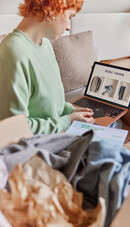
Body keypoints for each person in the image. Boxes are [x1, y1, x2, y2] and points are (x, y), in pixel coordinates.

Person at [0, 0, 94, 134]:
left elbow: (50, 104)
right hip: (33, 146)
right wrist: (67, 121)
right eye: (69, 17)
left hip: (56, 135)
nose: (68, 26)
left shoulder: (45, 45)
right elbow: (14, 129)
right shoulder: (13, 51)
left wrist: (70, 111)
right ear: (52, 9)